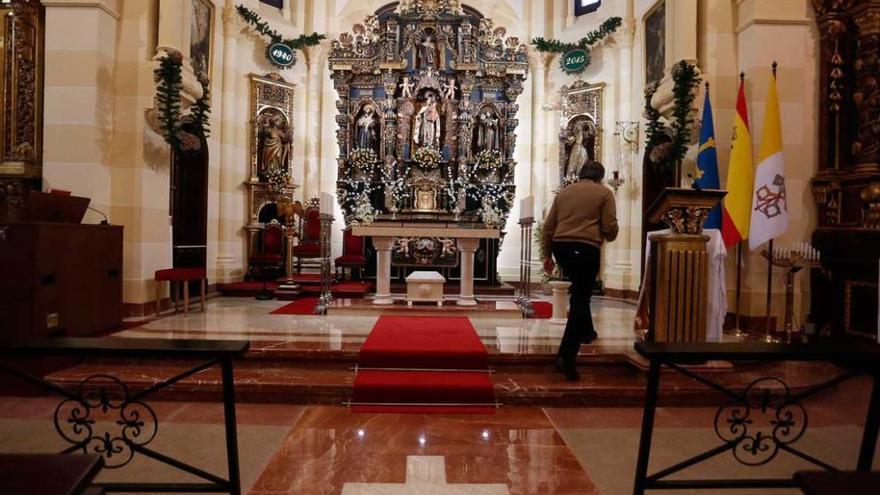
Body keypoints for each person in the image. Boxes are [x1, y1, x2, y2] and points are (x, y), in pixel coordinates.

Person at [542, 161, 618, 381]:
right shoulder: (605, 193)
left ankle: (587, 332)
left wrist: (547, 255)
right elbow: (609, 226)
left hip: (561, 247)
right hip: (585, 248)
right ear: (600, 177)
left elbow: (549, 226)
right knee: (581, 299)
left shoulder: (564, 193)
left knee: (580, 293)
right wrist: (609, 235)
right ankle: (566, 356)